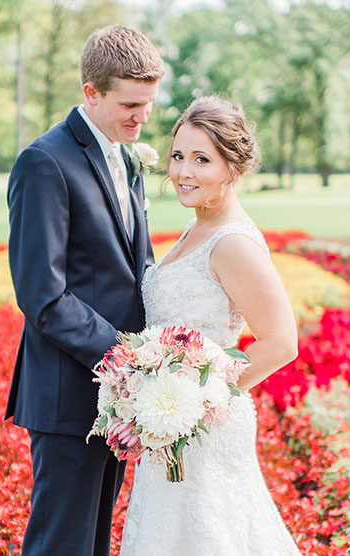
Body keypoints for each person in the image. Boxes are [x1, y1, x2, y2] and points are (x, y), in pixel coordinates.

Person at [5, 25, 164, 556]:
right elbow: (42, 296)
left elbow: (133, 266)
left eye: (148, 103)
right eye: (130, 103)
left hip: (116, 396)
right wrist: (126, 354)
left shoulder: (127, 158)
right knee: (61, 544)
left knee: (94, 543)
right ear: (90, 92)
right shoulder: (44, 162)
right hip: (68, 394)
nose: (143, 116)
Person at [118, 95, 301, 555]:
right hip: (170, 427)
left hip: (206, 427)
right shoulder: (196, 226)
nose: (183, 172)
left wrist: (198, 395)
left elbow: (281, 342)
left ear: (232, 169)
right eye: (179, 156)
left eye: (202, 159)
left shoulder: (233, 242)